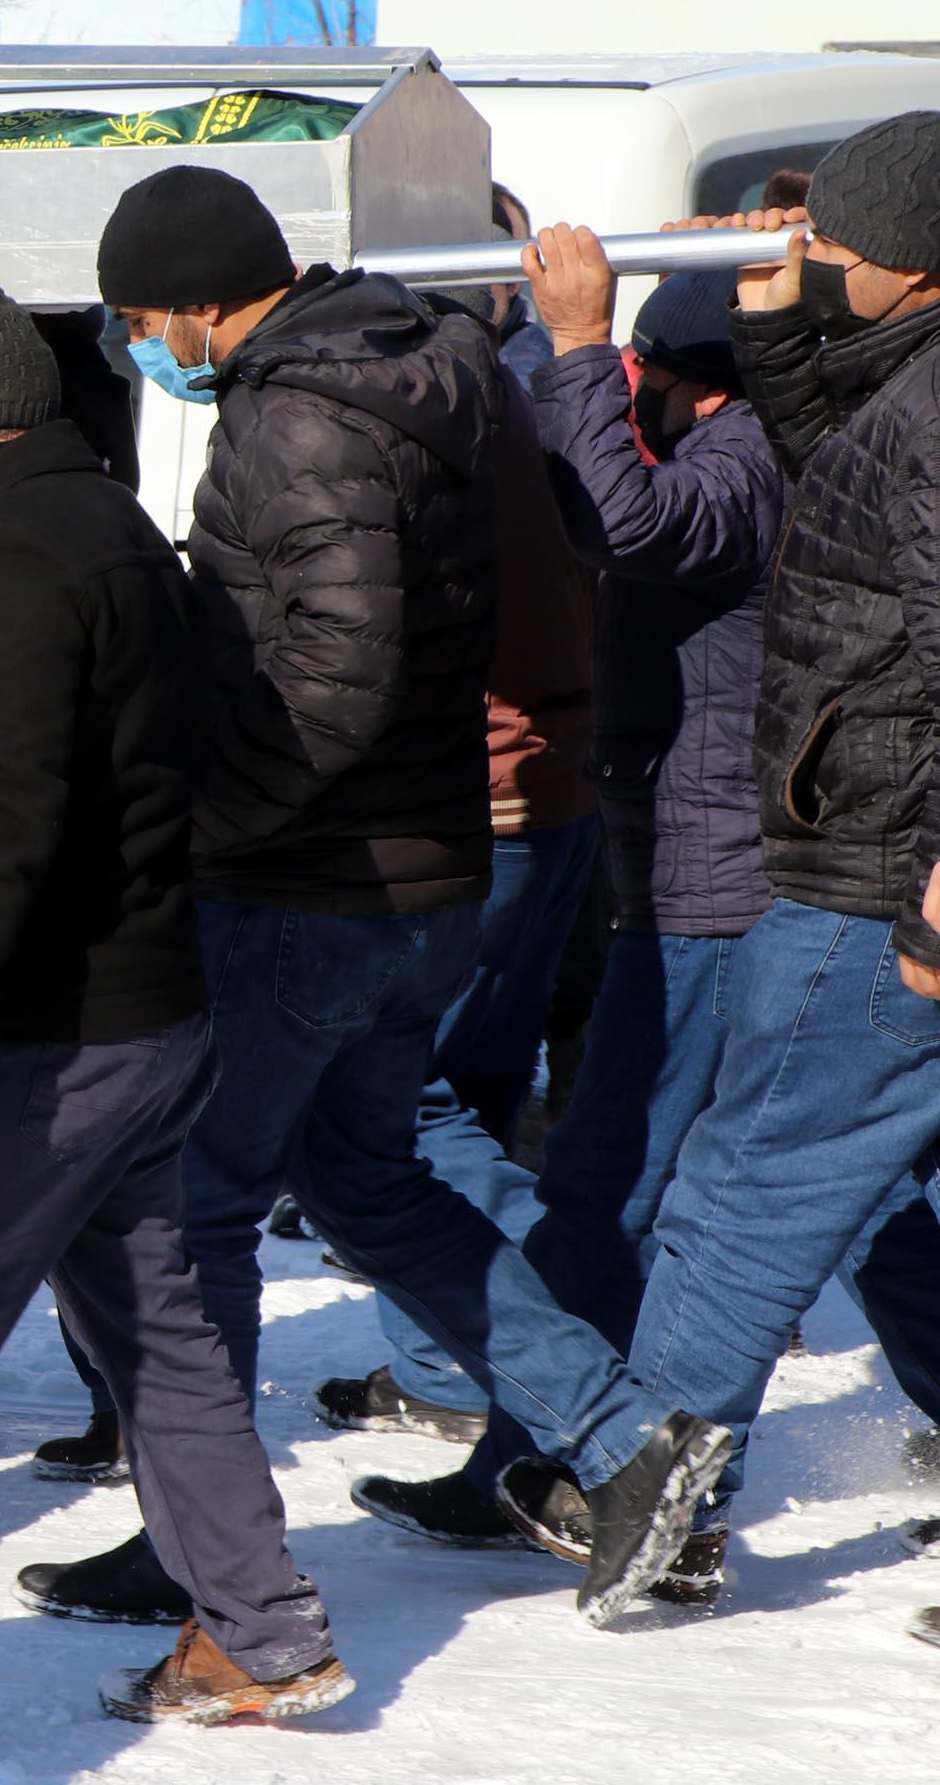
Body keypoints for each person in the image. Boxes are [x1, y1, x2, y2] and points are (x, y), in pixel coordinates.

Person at [20, 164, 729, 1633]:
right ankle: (626, 1439)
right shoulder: (424, 373)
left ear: (205, 299)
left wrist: (211, 823)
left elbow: (329, 670)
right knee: (369, 1179)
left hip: (308, 882)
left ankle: (193, 1542)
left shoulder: (298, 418)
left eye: (146, 316)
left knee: (194, 1205)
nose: (144, 344)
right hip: (424, 868)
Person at [0, 274, 350, 1724]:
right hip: (145, 1008)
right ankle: (264, 1630)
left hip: (39, 1028)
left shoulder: (8, 557)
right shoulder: (100, 528)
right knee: (154, 1332)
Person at [342, 244, 788, 1589]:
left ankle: (653, 1491)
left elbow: (632, 524)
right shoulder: (733, 449)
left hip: (714, 879)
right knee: (702, 1192)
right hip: (671, 863)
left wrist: (580, 340)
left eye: (641, 370)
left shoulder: (744, 466)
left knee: (638, 1193)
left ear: (687, 381)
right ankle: (553, 1465)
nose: (621, 387)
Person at [584, 116, 940, 1630]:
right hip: (870, 850)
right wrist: (780, 310)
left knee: (746, 1186)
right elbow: (838, 455)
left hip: (884, 873)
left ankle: (663, 1499)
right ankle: (673, 1494)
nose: (820, 266)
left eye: (841, 251)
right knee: (854, 1192)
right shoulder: (905, 385)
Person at [312, 317, 602, 1447]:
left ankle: (584, 1305)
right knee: (463, 1093)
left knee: (402, 1108)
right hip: (548, 782)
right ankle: (442, 1360)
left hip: (483, 801)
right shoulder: (502, 395)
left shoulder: (416, 423)